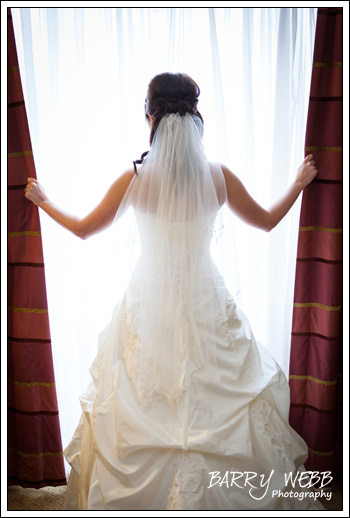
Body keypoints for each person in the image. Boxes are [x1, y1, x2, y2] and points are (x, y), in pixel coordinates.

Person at [25, 73, 323, 511]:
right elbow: (265, 222)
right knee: (218, 394)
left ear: (150, 117)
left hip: (148, 303)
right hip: (207, 300)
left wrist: (43, 200)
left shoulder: (136, 178)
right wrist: (298, 183)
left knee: (143, 396)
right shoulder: (217, 177)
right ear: (195, 118)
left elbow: (86, 229)